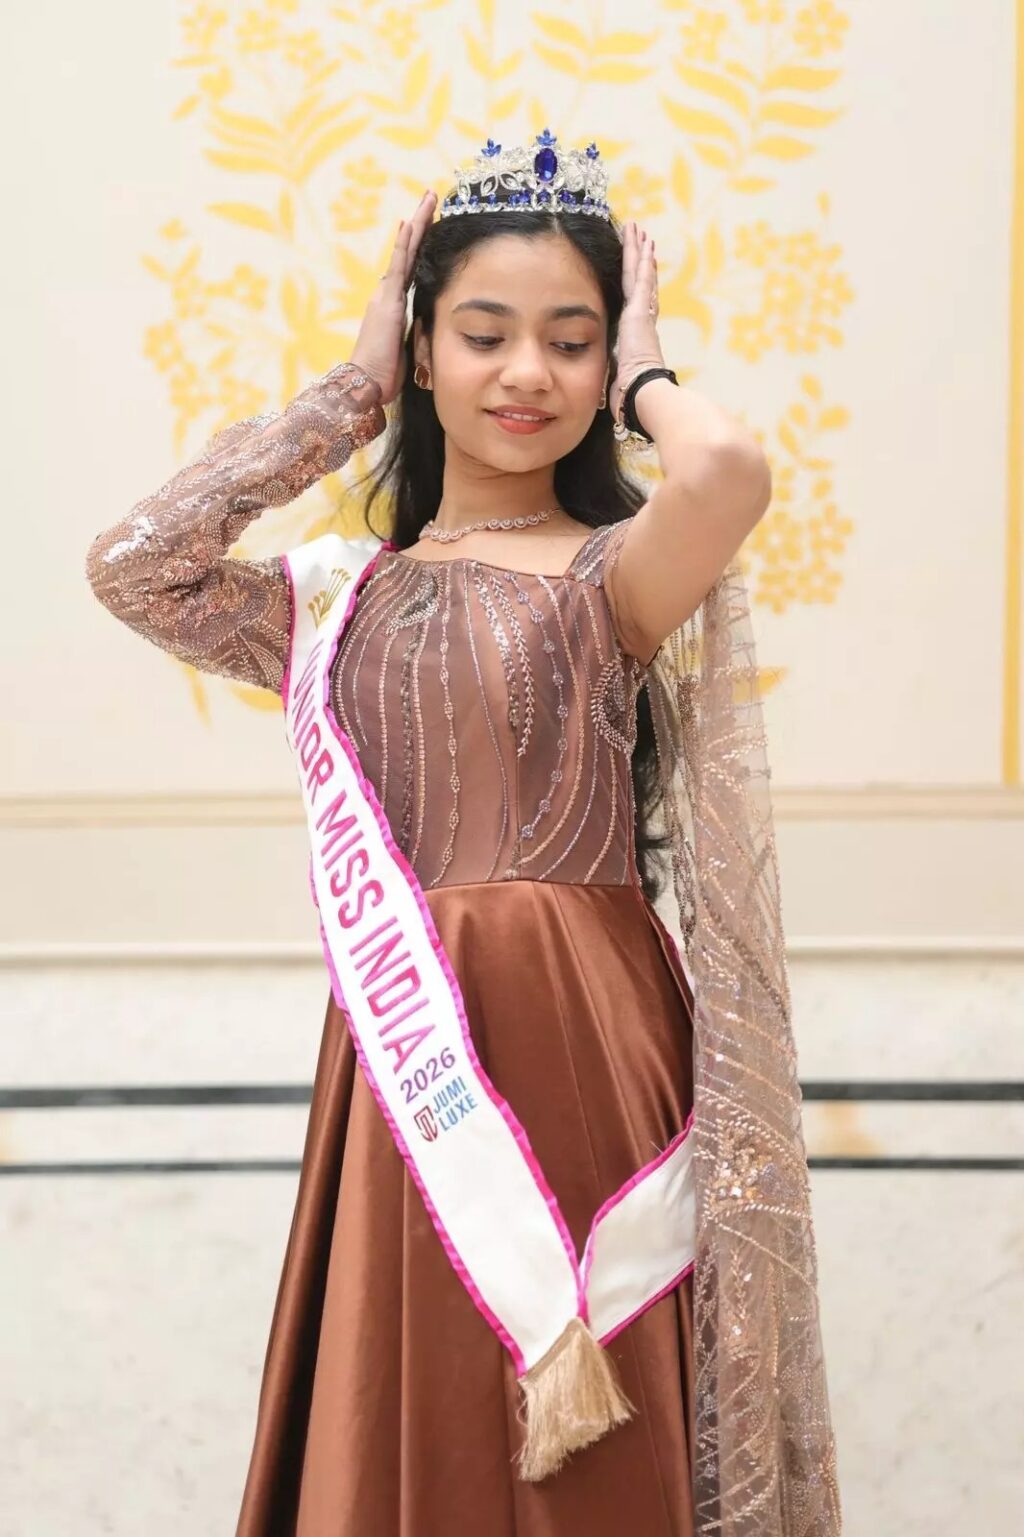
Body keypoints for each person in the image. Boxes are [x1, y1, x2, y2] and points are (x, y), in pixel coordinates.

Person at [85, 133, 841, 1536]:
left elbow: (728, 469)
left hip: (585, 1025)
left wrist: (651, 375)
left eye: (572, 341)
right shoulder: (333, 600)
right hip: (413, 1055)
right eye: (484, 334)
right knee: (412, 1386)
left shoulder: (615, 577)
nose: (526, 372)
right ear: (427, 353)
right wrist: (350, 391)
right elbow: (137, 567)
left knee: (588, 1412)